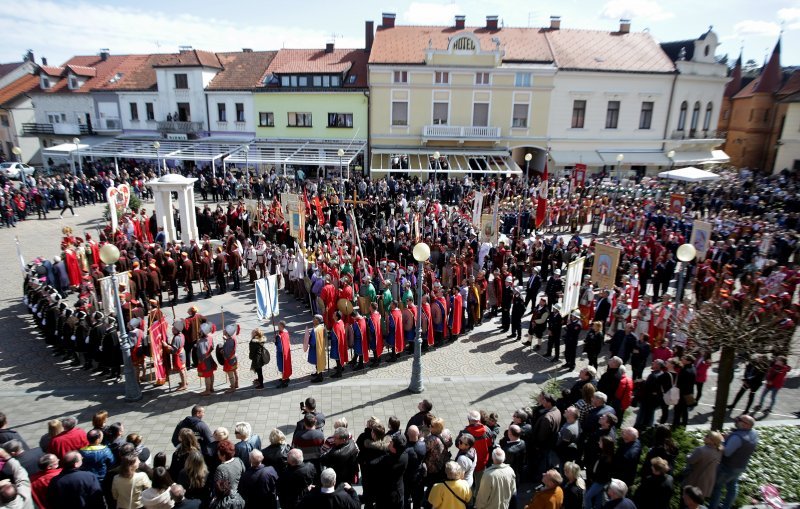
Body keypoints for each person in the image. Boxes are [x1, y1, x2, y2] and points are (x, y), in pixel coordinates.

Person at [708, 415, 758, 509]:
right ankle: (726, 506)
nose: (736, 420)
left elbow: (726, 452)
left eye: (739, 420)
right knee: (732, 486)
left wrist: (721, 440)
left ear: (745, 425)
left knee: (717, 487)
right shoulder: (754, 433)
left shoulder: (737, 437)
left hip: (727, 467)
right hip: (740, 466)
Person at [369, 433, 408, 509]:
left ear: (394, 449)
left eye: (391, 443)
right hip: (399, 491)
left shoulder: (386, 461)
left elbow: (371, 463)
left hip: (386, 496)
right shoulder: (405, 455)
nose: (389, 443)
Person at [682, 431, 723, 500]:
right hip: (706, 483)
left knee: (686, 501)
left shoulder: (700, 450)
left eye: (707, 436)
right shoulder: (719, 450)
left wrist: (688, 455)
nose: (705, 436)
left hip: (694, 479)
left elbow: (691, 460)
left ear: (712, 441)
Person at [584, 435, 614, 509]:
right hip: (597, 480)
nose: (598, 442)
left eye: (600, 441)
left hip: (600, 481)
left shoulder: (607, 459)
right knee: (598, 497)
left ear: (605, 444)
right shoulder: (603, 453)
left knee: (587, 497)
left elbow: (603, 473)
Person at [673, 355, 697, 427]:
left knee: (678, 411)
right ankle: (684, 424)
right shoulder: (693, 368)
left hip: (682, 394)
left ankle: (675, 425)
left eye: (684, 358)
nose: (682, 359)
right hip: (688, 393)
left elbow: (680, 384)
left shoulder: (685, 370)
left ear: (688, 361)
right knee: (684, 411)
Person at [273, 322, 292, 388]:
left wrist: (275, 341)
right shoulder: (285, 332)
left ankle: (284, 382)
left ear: (282, 326)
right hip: (286, 353)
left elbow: (280, 347)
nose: (278, 326)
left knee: (283, 367)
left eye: (279, 325)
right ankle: (286, 378)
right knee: (285, 366)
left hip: (282, 354)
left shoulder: (281, 335)